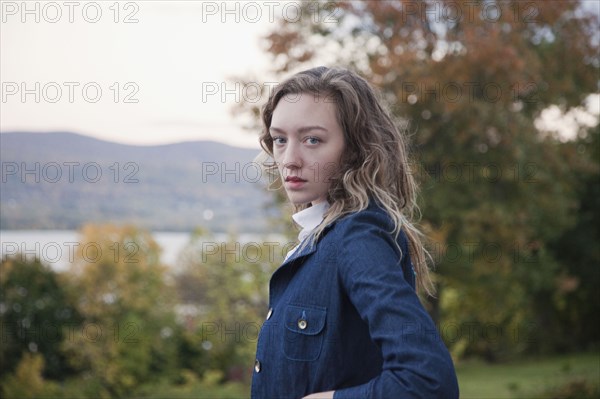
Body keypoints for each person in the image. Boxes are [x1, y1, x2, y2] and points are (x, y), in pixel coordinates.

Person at [251, 66, 459, 398]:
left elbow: (428, 381)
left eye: (313, 140)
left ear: (355, 148)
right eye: (280, 139)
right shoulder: (319, 236)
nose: (289, 159)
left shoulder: (358, 237)